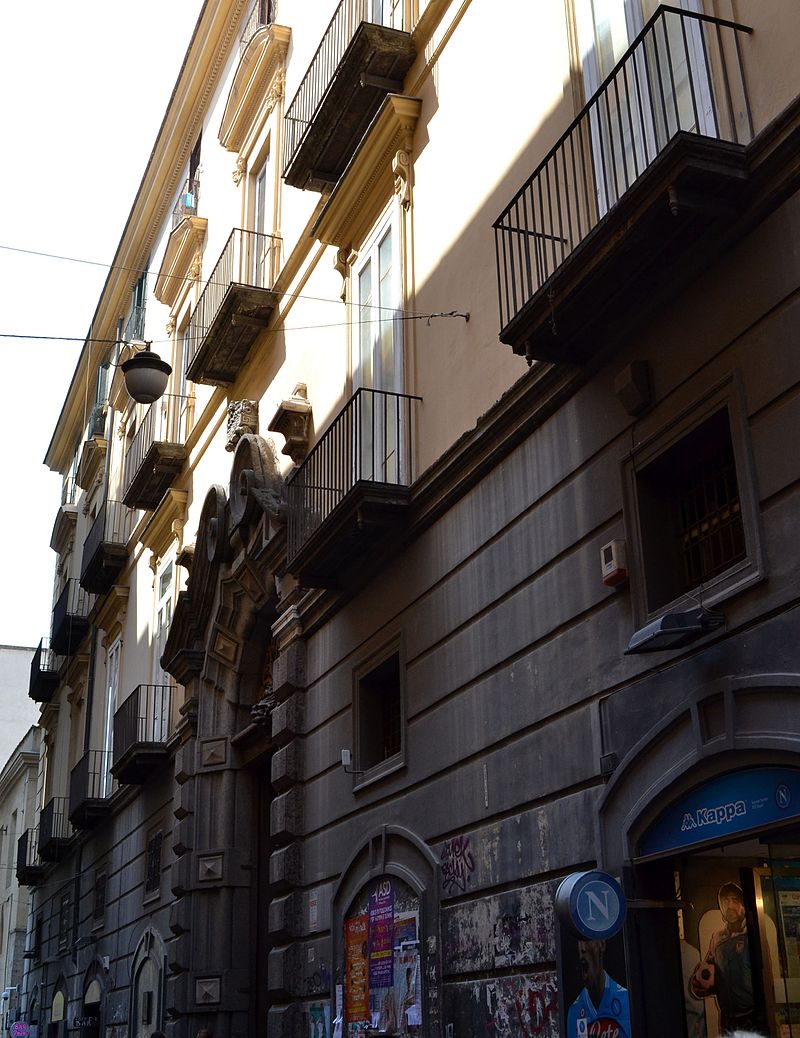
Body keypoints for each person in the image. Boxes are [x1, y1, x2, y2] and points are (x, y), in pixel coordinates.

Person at [690, 882, 757, 1034]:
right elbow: (709, 973)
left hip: (752, 1017)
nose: (730, 905)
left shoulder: (754, 935)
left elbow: (766, 979)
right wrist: (699, 985)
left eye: (735, 900)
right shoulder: (717, 938)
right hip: (727, 1019)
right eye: (726, 901)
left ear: (743, 905)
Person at [567, 938, 631, 1038]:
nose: (583, 948)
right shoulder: (575, 1011)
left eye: (588, 939)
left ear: (602, 944)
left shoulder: (626, 1001)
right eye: (579, 941)